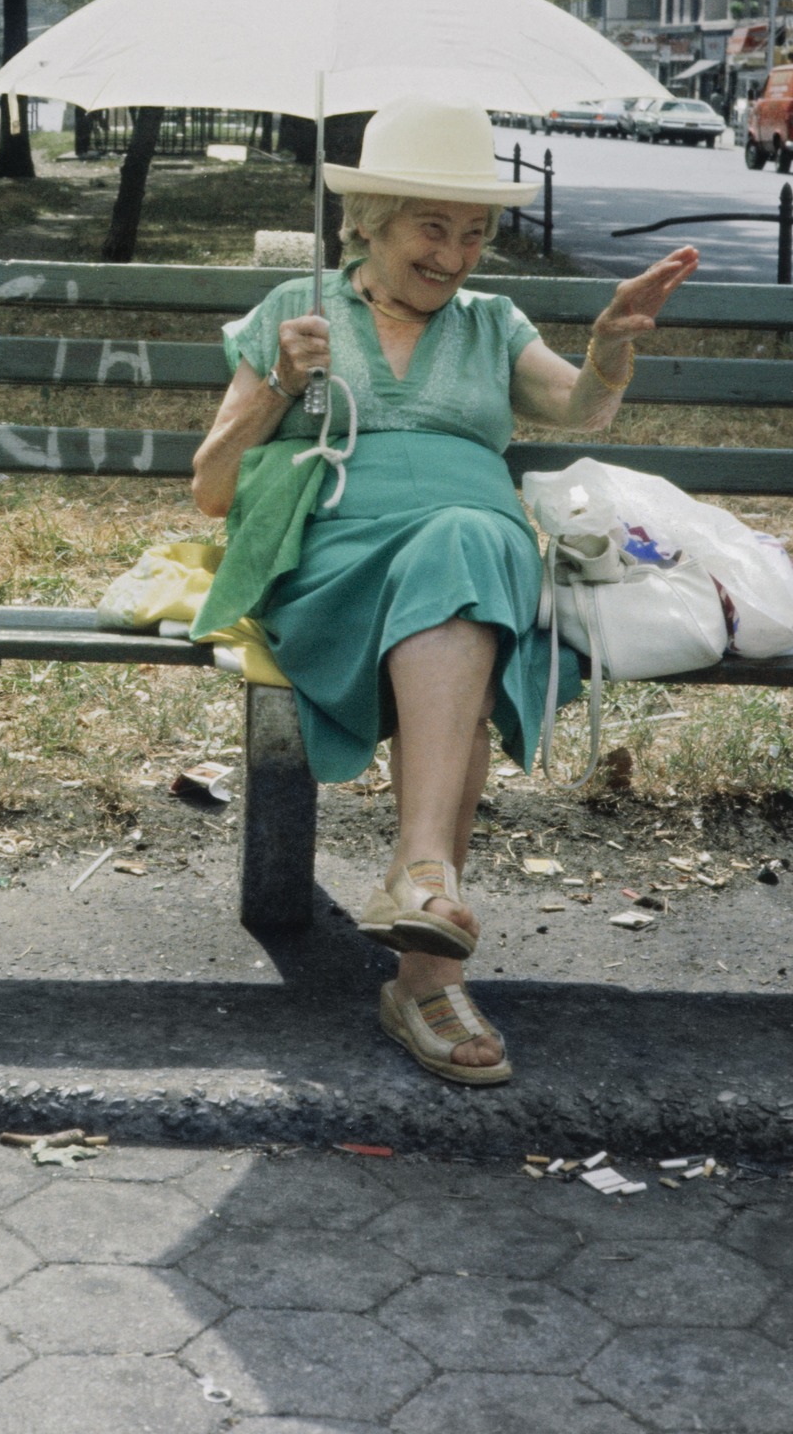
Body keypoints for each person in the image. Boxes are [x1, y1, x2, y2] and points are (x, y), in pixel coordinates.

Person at [191, 98, 698, 1087]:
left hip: (473, 552)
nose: (458, 253)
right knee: (461, 628)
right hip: (336, 565)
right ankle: (426, 963)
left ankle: (424, 888)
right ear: (371, 218)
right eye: (434, 226)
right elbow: (212, 485)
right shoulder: (293, 316)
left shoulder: (492, 323)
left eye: (474, 232)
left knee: (464, 552)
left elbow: (581, 403)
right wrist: (281, 390)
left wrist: (608, 345)